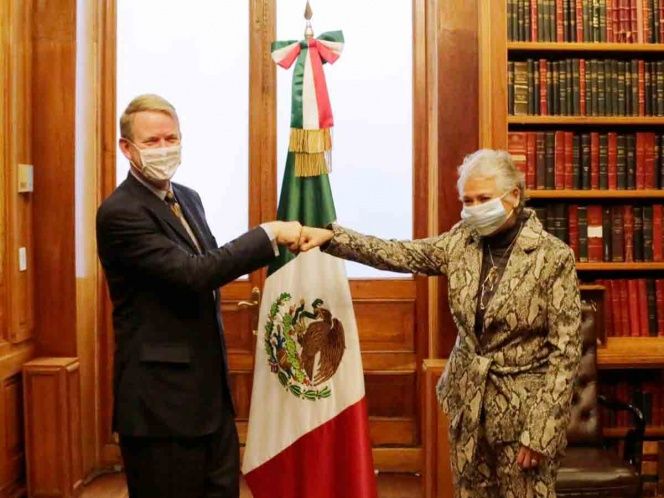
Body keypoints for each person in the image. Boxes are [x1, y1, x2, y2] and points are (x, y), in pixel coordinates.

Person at [299, 149, 582, 497]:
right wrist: (332, 238)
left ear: (513, 195)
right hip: (468, 407)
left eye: (484, 199)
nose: (474, 209)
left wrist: (541, 433)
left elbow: (566, 354)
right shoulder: (462, 240)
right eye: (467, 201)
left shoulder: (553, 257)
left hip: (524, 417)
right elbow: (400, 253)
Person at [96, 94, 301, 498]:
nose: (164, 148)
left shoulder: (188, 198)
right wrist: (268, 234)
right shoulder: (121, 212)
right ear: (127, 148)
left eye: (171, 138)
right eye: (152, 141)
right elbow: (195, 273)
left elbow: (210, 263)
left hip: (209, 401)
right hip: (161, 408)